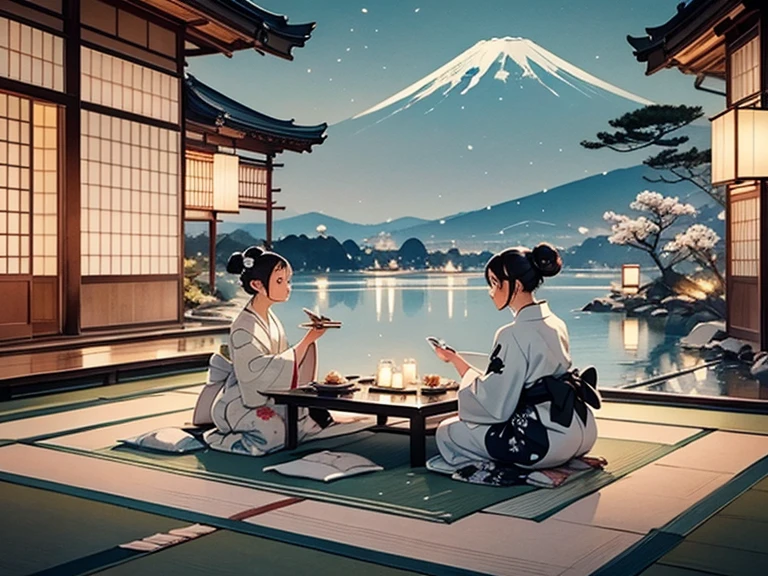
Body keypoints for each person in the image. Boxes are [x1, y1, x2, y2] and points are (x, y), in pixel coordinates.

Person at [429, 243, 600, 475]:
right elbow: (508, 382)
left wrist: (460, 374)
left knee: (447, 431)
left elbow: (495, 403)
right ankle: (568, 463)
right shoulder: (556, 322)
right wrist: (455, 359)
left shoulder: (512, 333)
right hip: (581, 431)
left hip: (543, 441)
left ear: (516, 286)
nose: (491, 292)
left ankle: (526, 471)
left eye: (495, 283)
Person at [202, 246, 330, 456]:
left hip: (266, 395)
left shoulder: (271, 319)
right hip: (240, 401)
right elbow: (259, 373)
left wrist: (307, 344)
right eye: (280, 281)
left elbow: (278, 366)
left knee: (305, 423)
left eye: (288, 281)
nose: (288, 287)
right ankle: (220, 439)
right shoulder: (243, 326)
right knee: (275, 433)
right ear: (257, 285)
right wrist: (307, 341)